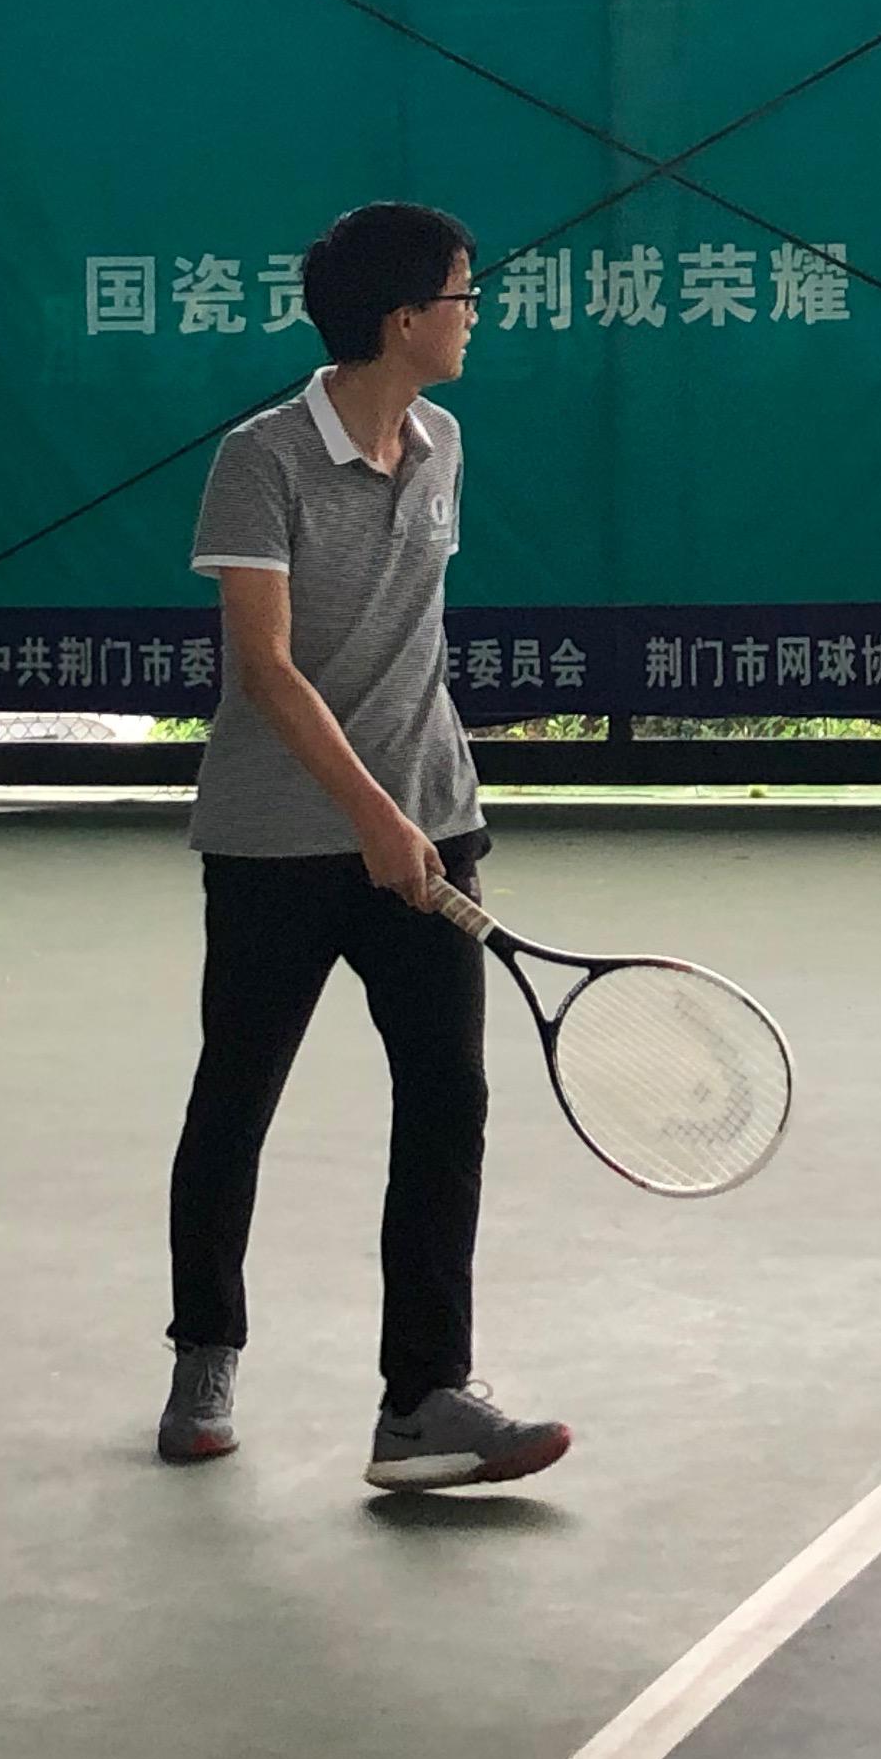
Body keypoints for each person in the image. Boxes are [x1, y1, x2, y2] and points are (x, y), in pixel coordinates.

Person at [155, 201, 569, 1490]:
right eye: (461, 294)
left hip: (431, 826)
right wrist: (370, 816)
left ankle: (424, 1400)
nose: (475, 313)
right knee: (238, 1097)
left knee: (449, 1101)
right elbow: (268, 669)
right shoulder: (262, 459)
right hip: (277, 840)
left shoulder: (443, 444)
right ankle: (205, 1353)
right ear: (401, 319)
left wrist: (419, 811)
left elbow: (408, 644)